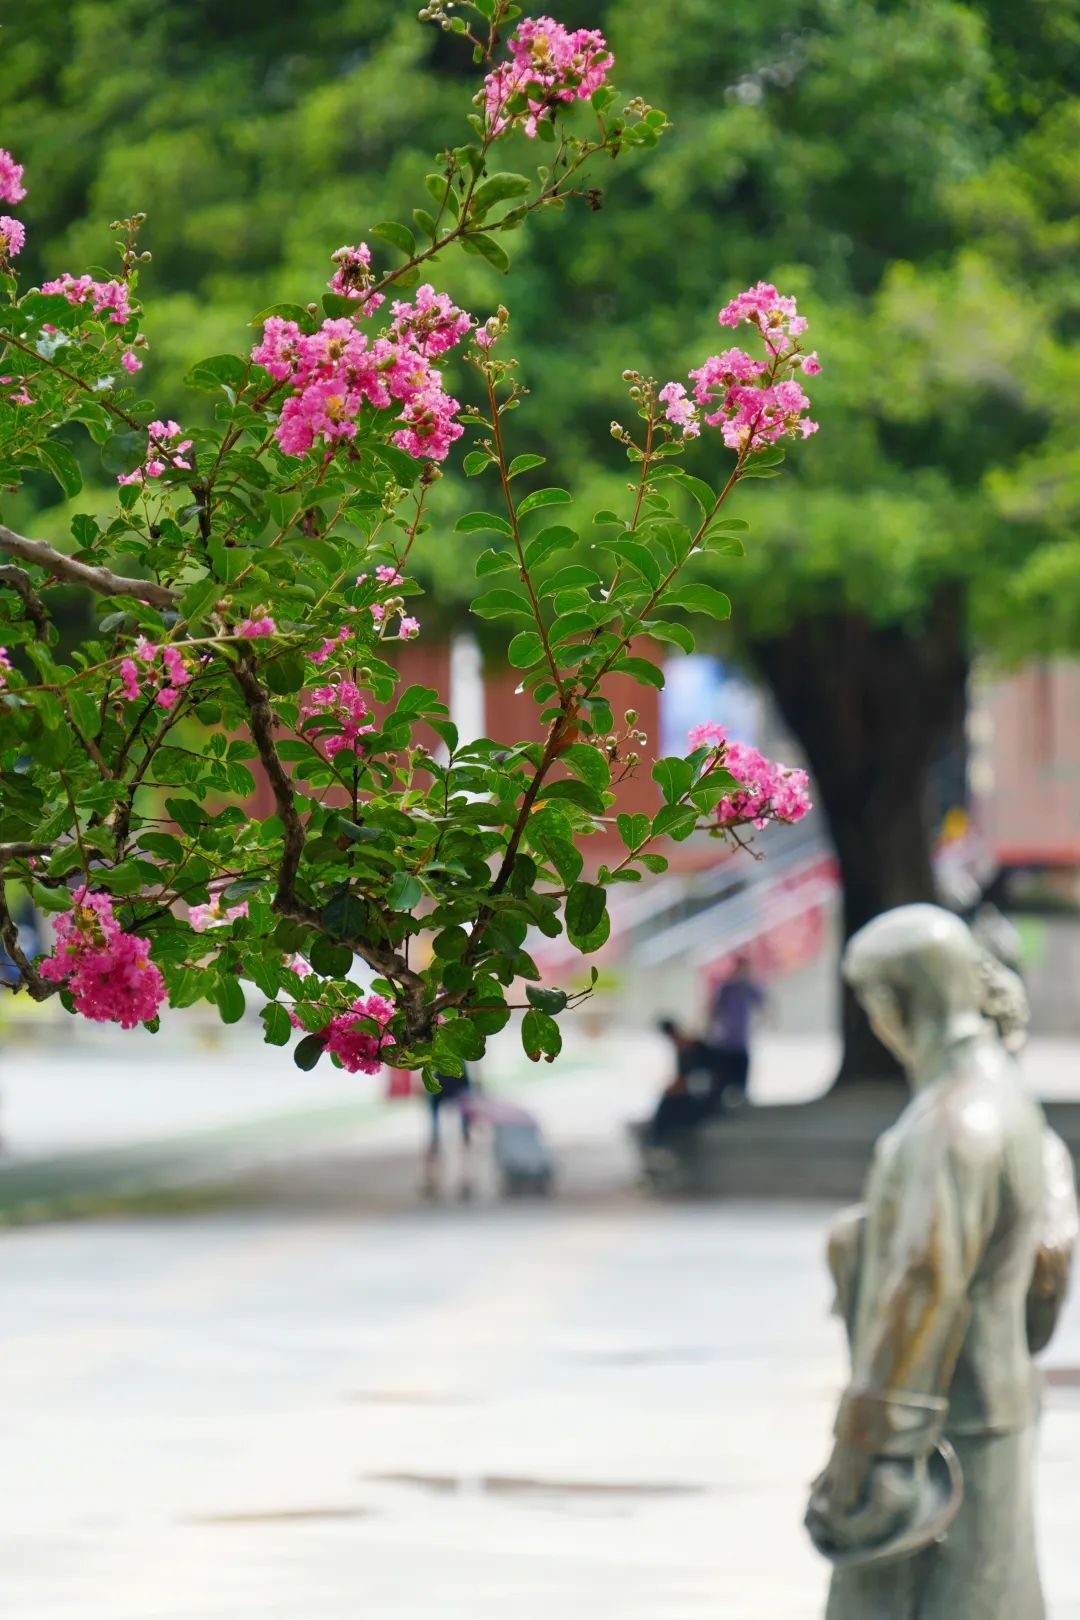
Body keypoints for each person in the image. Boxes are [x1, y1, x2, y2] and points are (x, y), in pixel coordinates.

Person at [806, 904, 1078, 1620]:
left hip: (940, 1430)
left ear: (894, 1003)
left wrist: (871, 1449)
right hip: (995, 1406)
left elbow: (923, 1282)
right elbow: (1047, 1262)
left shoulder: (953, 1121)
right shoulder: (1010, 1105)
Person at [706, 956, 764, 1104]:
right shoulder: (727, 988)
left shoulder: (748, 987)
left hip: (741, 1038)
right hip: (727, 1038)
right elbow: (714, 1010)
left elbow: (761, 1002)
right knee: (725, 1072)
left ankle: (741, 1097)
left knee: (740, 1071)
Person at [422, 1065, 473, 1200]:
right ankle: (435, 1180)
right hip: (454, 1074)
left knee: (441, 1134)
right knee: (461, 1134)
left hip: (450, 1074)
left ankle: (463, 1179)